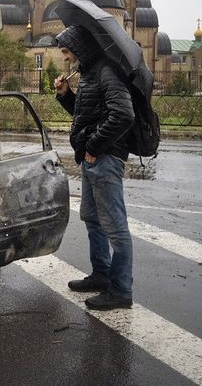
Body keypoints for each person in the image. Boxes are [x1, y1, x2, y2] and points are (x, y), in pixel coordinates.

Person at [54, 25, 135, 310]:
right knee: (93, 218)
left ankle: (121, 290)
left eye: (66, 51)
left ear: (78, 47)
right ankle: (101, 275)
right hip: (90, 158)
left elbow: (123, 115)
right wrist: (66, 95)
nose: (65, 58)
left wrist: (93, 147)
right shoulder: (88, 73)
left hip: (104, 158)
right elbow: (87, 114)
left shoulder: (106, 71)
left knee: (115, 225)